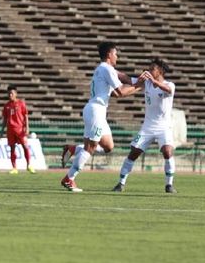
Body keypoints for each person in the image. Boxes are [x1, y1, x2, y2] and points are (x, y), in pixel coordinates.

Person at [60, 41, 145, 192]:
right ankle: (69, 178)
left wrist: (140, 79)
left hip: (96, 110)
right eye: (115, 54)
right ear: (109, 55)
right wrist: (139, 86)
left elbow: (124, 77)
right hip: (96, 110)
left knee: (108, 146)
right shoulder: (107, 69)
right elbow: (119, 93)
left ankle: (74, 149)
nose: (117, 56)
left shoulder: (103, 69)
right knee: (90, 148)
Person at [112, 58, 177, 193]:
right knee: (133, 153)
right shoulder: (146, 83)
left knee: (167, 151)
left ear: (160, 71)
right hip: (148, 126)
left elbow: (168, 90)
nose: (149, 70)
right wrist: (111, 70)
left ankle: (169, 185)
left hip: (164, 126)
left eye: (152, 68)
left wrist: (154, 82)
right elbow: (128, 79)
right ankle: (121, 183)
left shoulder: (169, 84)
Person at [0, 85, 35, 174]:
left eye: (11, 93)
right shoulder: (6, 106)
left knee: (25, 146)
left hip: (20, 130)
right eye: (8, 93)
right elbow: (5, 119)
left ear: (15, 94)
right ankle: (14, 168)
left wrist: (27, 127)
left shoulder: (21, 103)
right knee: (12, 148)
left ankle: (29, 165)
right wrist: (2, 130)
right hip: (10, 130)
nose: (10, 95)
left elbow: (26, 116)